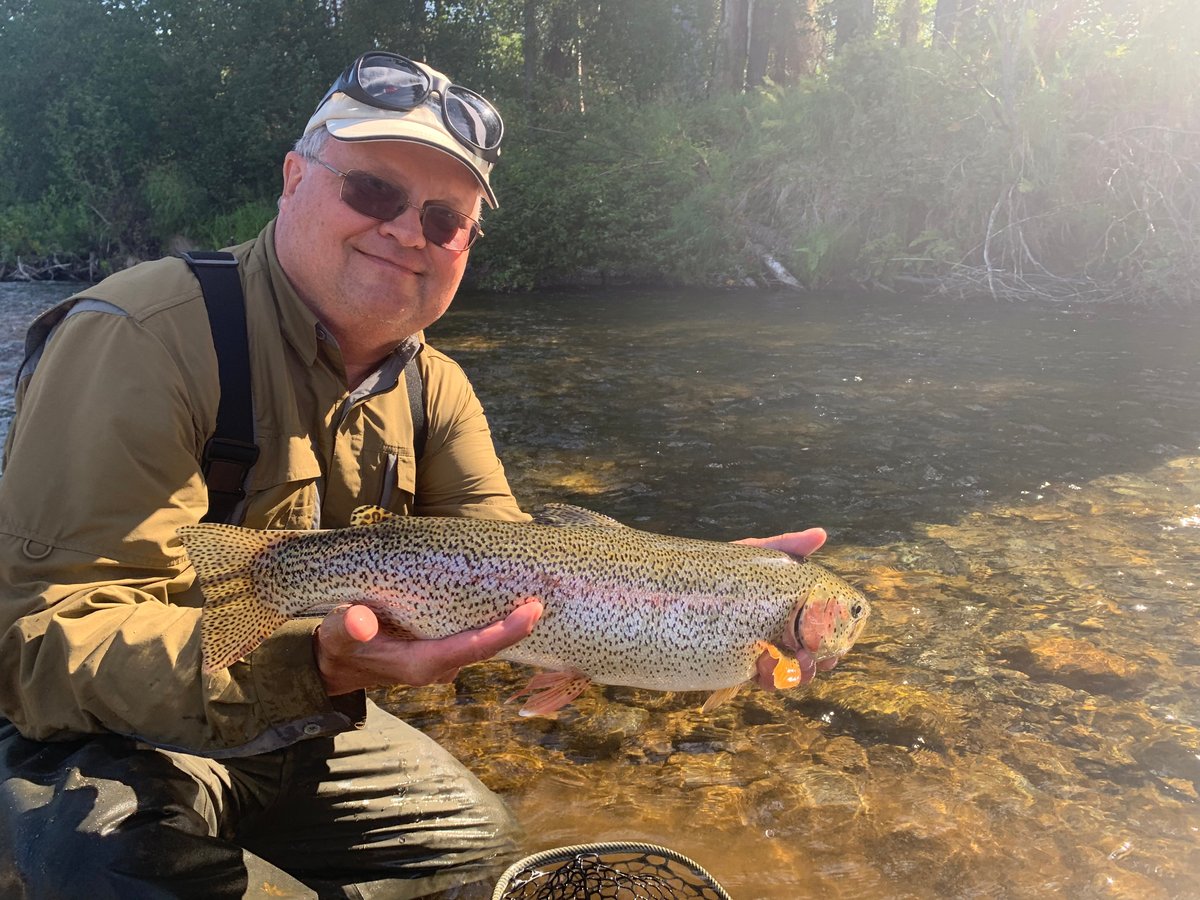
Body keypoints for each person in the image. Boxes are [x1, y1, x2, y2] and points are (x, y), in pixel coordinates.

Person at [0, 51, 831, 899]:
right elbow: (36, 647)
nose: (406, 231)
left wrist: (695, 591)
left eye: (444, 219)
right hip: (108, 731)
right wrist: (313, 666)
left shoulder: (436, 388)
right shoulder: (140, 338)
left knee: (478, 858)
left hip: (294, 723)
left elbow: (520, 573)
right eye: (372, 192)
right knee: (120, 868)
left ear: (466, 246)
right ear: (293, 178)